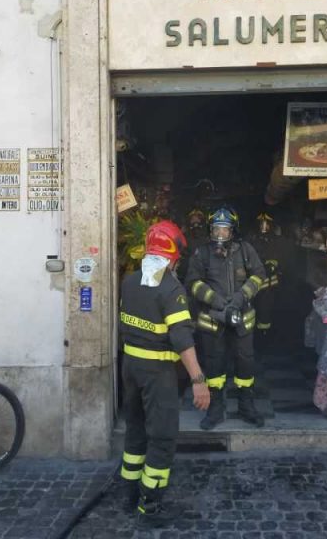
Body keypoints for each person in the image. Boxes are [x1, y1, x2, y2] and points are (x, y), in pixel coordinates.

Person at [118, 220, 210, 525]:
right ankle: (150, 506)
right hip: (158, 373)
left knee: (135, 432)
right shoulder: (171, 288)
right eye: (178, 259)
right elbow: (182, 340)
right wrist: (198, 381)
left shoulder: (130, 282)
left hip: (130, 368)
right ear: (172, 255)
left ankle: (129, 495)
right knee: (162, 437)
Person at [185, 206, 267, 430]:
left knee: (245, 363)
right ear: (210, 230)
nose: (220, 235)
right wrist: (219, 303)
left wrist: (239, 299)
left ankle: (246, 407)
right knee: (214, 364)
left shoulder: (245, 250)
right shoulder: (201, 253)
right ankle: (215, 409)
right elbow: (192, 283)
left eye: (225, 230)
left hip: (242, 318)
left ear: (233, 231)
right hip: (212, 320)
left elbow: (259, 275)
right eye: (216, 230)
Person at [246, 212, 283, 341]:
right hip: (253, 281)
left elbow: (279, 256)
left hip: (269, 283)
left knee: (266, 307)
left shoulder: (275, 240)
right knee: (251, 307)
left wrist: (272, 265)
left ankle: (264, 333)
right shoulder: (251, 239)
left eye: (267, 224)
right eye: (261, 223)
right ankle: (253, 331)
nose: (264, 226)